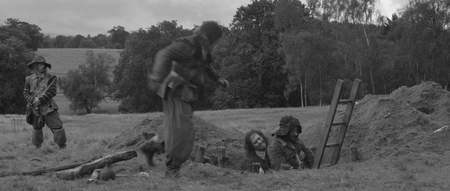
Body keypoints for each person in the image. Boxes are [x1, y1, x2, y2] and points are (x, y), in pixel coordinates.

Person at [148, 21, 230, 178]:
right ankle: (172, 169)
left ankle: (151, 146)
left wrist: (217, 78)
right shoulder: (187, 45)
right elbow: (163, 54)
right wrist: (157, 78)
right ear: (208, 37)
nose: (215, 44)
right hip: (175, 91)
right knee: (183, 130)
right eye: (215, 40)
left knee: (178, 129)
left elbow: (206, 66)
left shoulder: (203, 49)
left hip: (188, 94)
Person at [23, 56, 67, 148]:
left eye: (44, 64)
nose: (43, 66)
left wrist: (40, 100)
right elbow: (26, 93)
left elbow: (52, 92)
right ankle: (37, 147)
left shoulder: (51, 78)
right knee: (36, 128)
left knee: (58, 126)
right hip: (34, 107)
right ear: (35, 66)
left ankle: (62, 146)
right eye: (40, 64)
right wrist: (33, 100)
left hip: (48, 107)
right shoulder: (28, 79)